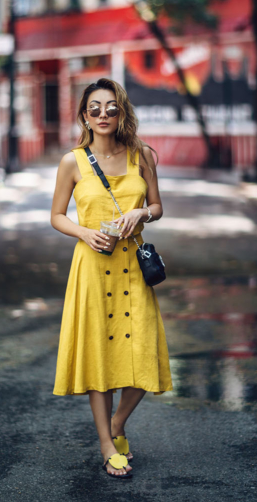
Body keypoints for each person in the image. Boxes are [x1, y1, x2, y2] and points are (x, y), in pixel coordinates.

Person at [49, 77, 172, 479]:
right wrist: (84, 232)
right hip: (92, 267)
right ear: (84, 115)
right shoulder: (73, 162)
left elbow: (157, 206)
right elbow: (56, 216)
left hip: (133, 265)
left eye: (111, 107)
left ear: (121, 111)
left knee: (145, 350)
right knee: (98, 357)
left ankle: (118, 424)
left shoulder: (142, 155)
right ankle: (106, 444)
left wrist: (142, 214)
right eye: (94, 108)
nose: (103, 115)